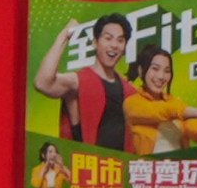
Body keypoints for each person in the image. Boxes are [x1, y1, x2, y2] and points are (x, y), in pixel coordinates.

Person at [34, 11, 135, 152]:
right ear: (95, 43)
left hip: (118, 169)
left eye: (120, 40)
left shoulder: (130, 90)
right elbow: (42, 83)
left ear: (125, 47)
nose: (114, 45)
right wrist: (64, 36)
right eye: (108, 38)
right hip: (87, 166)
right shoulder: (79, 81)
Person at [121, 45, 197, 158]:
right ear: (141, 70)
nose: (161, 76)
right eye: (155, 69)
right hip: (147, 171)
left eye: (167, 71)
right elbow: (164, 111)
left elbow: (193, 127)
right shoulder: (131, 103)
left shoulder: (175, 102)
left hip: (178, 171)